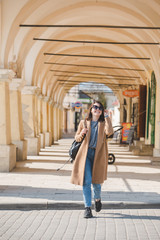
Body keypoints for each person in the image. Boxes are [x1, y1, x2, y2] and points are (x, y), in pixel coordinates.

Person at [71, 100, 113, 218]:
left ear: (102, 111)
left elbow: (109, 132)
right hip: (85, 155)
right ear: (91, 109)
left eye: (100, 108)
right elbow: (77, 138)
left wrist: (107, 117)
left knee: (97, 183)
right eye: (95, 107)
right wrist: (82, 133)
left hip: (98, 155)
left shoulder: (103, 123)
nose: (97, 109)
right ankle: (87, 208)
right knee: (86, 181)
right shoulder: (84, 122)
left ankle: (98, 199)